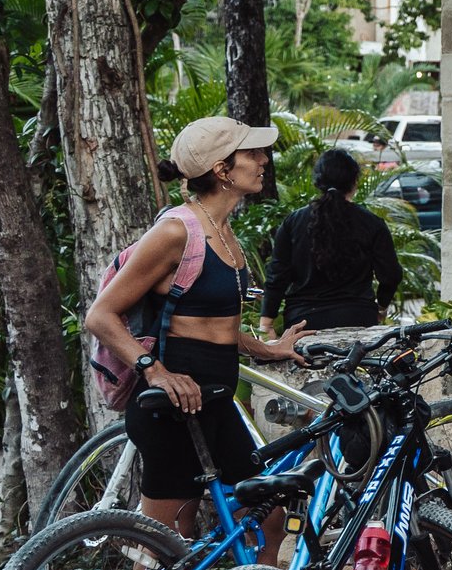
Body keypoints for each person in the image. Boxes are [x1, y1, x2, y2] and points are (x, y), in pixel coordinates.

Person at [84, 116, 306, 538]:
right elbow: (100, 315)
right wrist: (154, 370)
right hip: (172, 408)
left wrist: (269, 349)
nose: (264, 160)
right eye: (252, 153)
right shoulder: (175, 232)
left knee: (268, 519)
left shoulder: (223, 231)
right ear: (222, 170)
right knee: (163, 542)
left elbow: (211, 326)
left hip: (215, 400)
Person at [263, 149, 405, 333]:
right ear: (355, 181)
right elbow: (391, 274)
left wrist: (267, 322)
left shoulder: (293, 222)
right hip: (358, 319)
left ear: (318, 181)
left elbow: (277, 276)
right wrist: (382, 306)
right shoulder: (372, 223)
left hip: (303, 322)